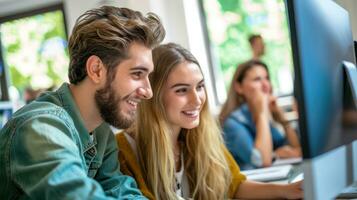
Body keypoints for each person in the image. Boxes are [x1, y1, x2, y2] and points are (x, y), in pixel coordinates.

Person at [0, 6, 165, 199]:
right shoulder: (40, 128)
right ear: (96, 70)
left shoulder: (100, 132)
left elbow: (120, 190)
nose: (149, 92)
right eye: (137, 74)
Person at [116, 43, 303, 200]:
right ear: (152, 94)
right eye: (181, 90)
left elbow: (233, 185)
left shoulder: (201, 136)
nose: (197, 100)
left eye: (199, 87)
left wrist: (287, 190)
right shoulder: (122, 151)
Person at [219, 60, 301, 170]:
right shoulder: (232, 124)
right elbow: (262, 161)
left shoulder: (260, 115)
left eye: (267, 78)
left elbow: (295, 150)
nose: (266, 85)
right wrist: (261, 113)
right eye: (257, 79)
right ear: (239, 87)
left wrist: (281, 118)